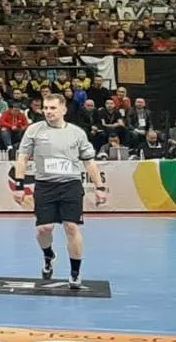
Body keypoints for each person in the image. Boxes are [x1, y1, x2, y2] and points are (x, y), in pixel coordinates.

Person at [12, 93, 107, 290]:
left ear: (63, 110)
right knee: (44, 229)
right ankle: (48, 255)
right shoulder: (34, 130)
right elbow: (22, 158)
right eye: (46, 108)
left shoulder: (77, 133)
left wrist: (100, 187)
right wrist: (19, 186)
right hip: (45, 185)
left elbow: (89, 162)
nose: (48, 112)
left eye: (53, 108)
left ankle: (75, 273)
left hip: (70, 184)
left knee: (71, 227)